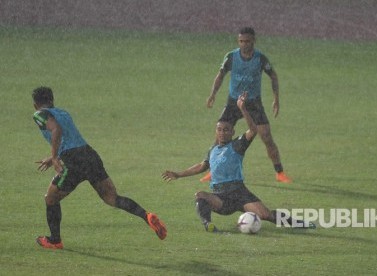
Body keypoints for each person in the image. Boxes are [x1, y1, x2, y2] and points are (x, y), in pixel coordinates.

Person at [31, 87, 167, 249]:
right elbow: (71, 140)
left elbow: (56, 130)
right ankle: (146, 216)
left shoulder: (39, 114)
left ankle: (55, 240)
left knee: (51, 198)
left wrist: (54, 157)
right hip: (90, 155)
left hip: (73, 161)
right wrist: (53, 156)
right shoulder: (63, 113)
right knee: (112, 198)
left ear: (35, 105)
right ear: (52, 100)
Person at [162, 92, 314, 232]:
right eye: (219, 130)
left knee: (266, 215)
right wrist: (178, 174)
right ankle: (208, 225)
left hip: (239, 193)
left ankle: (301, 224)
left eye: (226, 129)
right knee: (200, 195)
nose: (222, 133)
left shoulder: (237, 145)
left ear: (232, 132)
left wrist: (243, 109)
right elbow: (202, 166)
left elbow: (253, 131)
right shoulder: (213, 150)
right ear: (216, 132)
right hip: (221, 197)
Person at [202, 26, 292, 183]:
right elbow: (220, 75)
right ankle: (212, 170)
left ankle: (280, 172)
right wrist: (212, 95)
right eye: (241, 41)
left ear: (254, 41)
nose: (244, 44)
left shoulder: (260, 59)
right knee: (220, 135)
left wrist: (276, 99)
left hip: (253, 103)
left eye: (247, 41)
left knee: (266, 136)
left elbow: (273, 76)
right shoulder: (231, 57)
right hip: (233, 102)